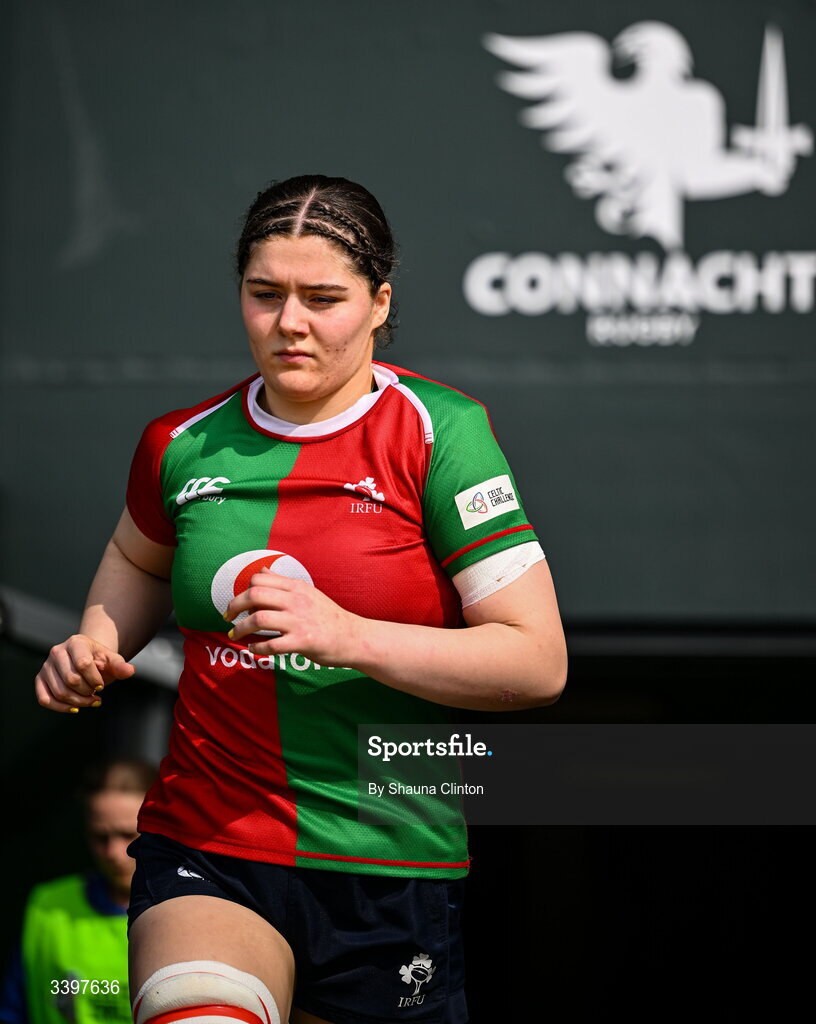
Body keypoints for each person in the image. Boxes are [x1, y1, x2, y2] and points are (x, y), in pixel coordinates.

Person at [34, 175, 567, 1024]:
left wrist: (346, 634)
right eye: (264, 294)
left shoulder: (442, 432)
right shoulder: (180, 443)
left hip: (390, 863)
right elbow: (135, 562)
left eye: (324, 298)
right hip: (209, 843)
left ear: (380, 302)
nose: (290, 323)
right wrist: (96, 641)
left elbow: (536, 663)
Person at [0, 759, 157, 1024]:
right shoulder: (48, 907)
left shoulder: (192, 915)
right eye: (100, 837)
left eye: (128, 834)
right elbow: (12, 1011)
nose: (113, 853)